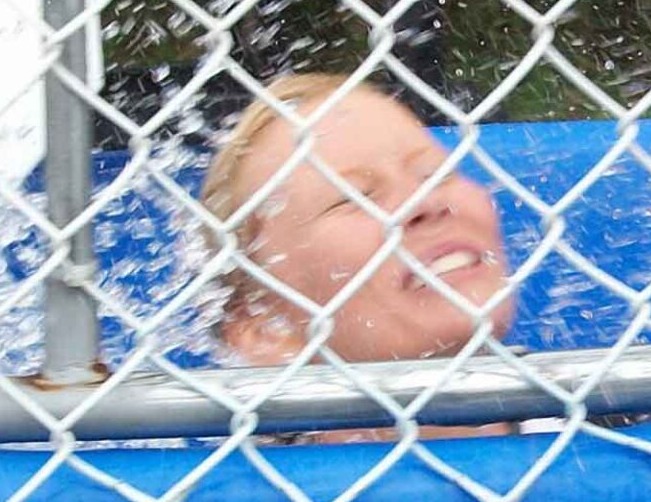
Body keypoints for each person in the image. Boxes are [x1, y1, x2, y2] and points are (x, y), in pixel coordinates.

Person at [200, 72, 516, 367]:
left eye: (436, 173)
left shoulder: (560, 391)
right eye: (355, 197)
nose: (426, 202)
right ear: (266, 328)